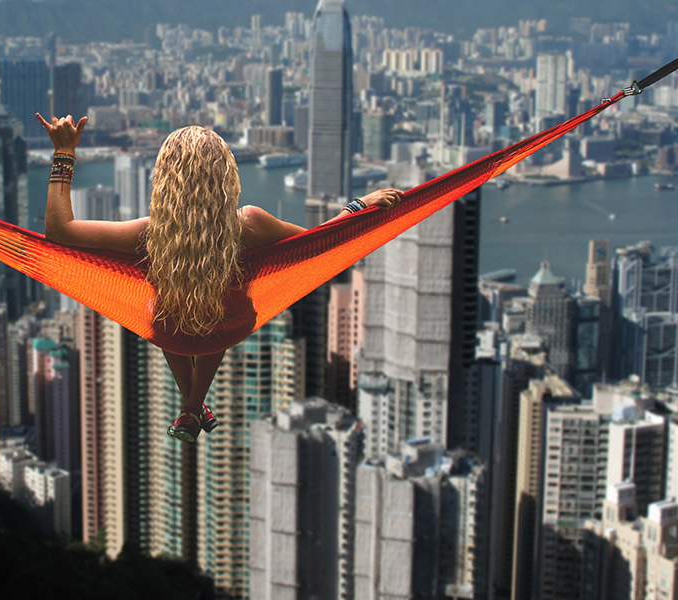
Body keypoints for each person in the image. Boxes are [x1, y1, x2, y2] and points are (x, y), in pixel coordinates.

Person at [36, 113, 403, 442]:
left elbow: (59, 230)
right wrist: (358, 206)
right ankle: (194, 409)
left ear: (165, 180)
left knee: (165, 303)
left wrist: (64, 152)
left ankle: (192, 406)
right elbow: (318, 241)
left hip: (170, 333)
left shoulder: (147, 235)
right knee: (223, 299)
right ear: (225, 176)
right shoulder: (250, 225)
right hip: (229, 327)